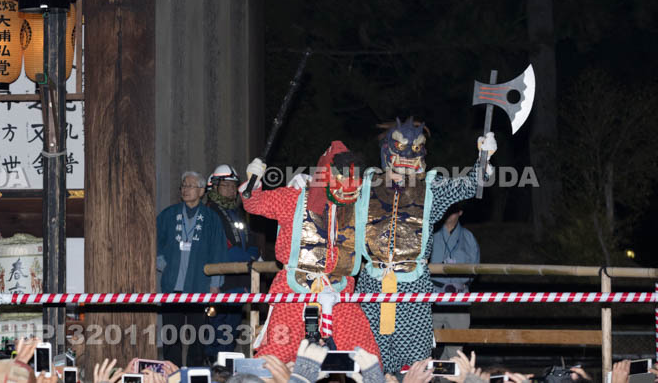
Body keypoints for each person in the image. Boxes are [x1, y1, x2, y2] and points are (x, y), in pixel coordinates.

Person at [353, 117, 496, 374]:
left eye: (416, 149)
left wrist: (484, 159)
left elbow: (471, 185)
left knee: (415, 363)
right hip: (373, 283)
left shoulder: (431, 189)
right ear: (387, 151)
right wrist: (306, 191)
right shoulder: (365, 186)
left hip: (413, 285)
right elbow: (333, 190)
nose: (408, 156)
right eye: (401, 148)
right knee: (370, 359)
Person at [241, 143, 380, 364]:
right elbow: (255, 204)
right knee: (275, 357)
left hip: (339, 293)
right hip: (294, 292)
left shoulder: (358, 206)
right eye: (341, 180)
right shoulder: (294, 199)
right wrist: (253, 181)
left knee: (366, 356)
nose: (347, 188)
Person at [156, 171, 228, 365]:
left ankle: (195, 372)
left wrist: (215, 284)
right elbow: (153, 241)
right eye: (183, 186)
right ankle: (171, 373)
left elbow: (219, 252)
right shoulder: (168, 215)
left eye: (190, 186)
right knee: (171, 335)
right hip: (173, 285)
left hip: (200, 285)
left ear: (202, 190)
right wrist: (163, 264)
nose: (185, 190)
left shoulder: (211, 219)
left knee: (199, 335)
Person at [204, 165, 260, 359]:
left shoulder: (238, 212)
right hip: (219, 282)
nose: (229, 189)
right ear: (215, 186)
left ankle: (225, 371)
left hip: (240, 281)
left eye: (232, 185)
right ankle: (213, 369)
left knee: (231, 330)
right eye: (225, 185)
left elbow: (252, 242)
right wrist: (249, 259)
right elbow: (222, 248)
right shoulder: (209, 213)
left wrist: (252, 255)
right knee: (216, 330)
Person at [430, 202, 479, 359]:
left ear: (460, 212)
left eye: (453, 210)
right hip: (433, 297)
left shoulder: (468, 237)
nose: (449, 213)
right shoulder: (430, 234)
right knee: (423, 346)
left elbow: (475, 267)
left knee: (456, 350)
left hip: (459, 298)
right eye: (446, 209)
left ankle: (444, 379)